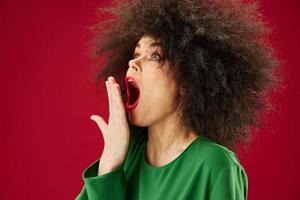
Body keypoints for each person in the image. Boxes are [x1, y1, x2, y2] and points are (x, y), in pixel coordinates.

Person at [76, 0, 280, 199]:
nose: (133, 62)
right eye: (136, 53)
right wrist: (108, 166)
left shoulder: (216, 166)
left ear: (190, 79)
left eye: (155, 56)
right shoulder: (123, 157)